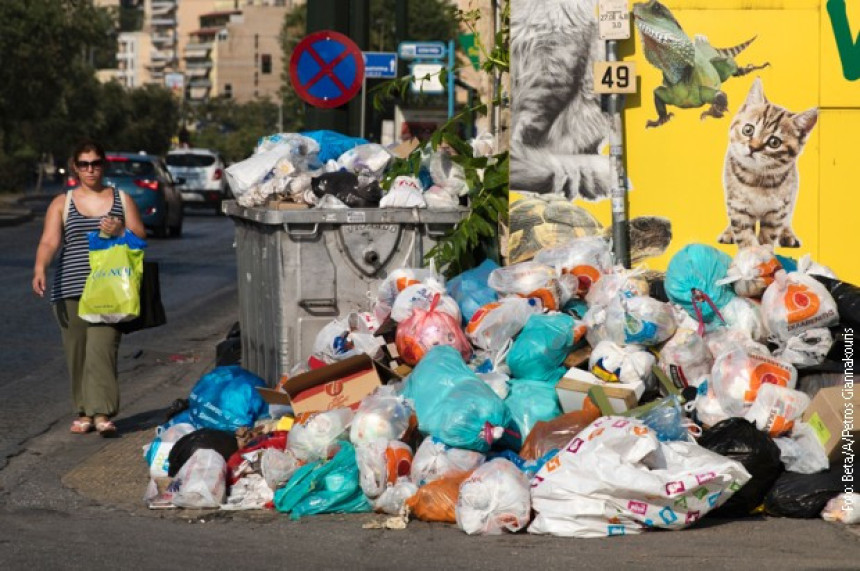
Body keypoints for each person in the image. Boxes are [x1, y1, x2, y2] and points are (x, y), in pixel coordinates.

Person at [32, 140, 145, 437]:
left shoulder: (121, 199)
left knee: (103, 350)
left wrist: (120, 230)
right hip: (71, 288)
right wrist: (40, 267)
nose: (90, 169)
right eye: (84, 164)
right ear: (75, 167)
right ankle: (84, 411)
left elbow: (141, 236)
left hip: (112, 291)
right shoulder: (62, 202)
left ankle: (103, 412)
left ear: (103, 165)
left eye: (95, 163)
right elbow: (49, 241)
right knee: (78, 352)